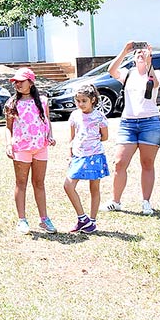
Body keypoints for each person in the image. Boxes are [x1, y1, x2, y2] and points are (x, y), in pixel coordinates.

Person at [103, 41, 160, 215]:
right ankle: (115, 201)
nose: (140, 54)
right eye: (137, 52)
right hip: (128, 123)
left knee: (147, 163)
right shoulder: (127, 73)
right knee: (120, 162)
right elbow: (111, 71)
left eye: (143, 52)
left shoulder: (155, 72)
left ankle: (146, 202)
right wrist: (124, 50)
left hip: (150, 123)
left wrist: (149, 60)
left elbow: (156, 83)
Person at [4, 67, 57, 235]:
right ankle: (22, 219)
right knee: (21, 183)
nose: (17, 84)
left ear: (31, 82)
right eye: (15, 82)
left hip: (40, 147)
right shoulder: (12, 104)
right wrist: (8, 144)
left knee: (39, 183)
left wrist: (50, 135)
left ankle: (44, 219)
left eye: (21, 81)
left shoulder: (42, 101)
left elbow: (46, 120)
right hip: (21, 148)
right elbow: (8, 128)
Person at [63, 84, 108, 234]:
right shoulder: (74, 115)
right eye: (78, 101)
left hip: (95, 156)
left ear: (92, 100)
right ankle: (83, 218)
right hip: (78, 156)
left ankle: (92, 222)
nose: (81, 104)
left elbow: (105, 136)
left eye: (84, 101)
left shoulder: (99, 116)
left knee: (94, 188)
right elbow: (71, 137)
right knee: (68, 185)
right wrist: (70, 155)